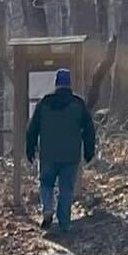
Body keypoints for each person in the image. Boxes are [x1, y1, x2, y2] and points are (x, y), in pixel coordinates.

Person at [25, 67, 96, 234]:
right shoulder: (78, 104)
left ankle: (47, 209)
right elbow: (89, 129)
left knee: (46, 183)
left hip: (48, 153)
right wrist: (88, 151)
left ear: (56, 84)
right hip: (70, 155)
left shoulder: (44, 102)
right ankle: (64, 224)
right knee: (66, 189)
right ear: (69, 84)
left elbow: (32, 128)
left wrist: (30, 149)